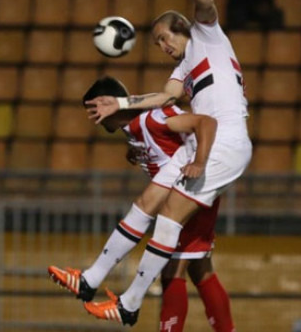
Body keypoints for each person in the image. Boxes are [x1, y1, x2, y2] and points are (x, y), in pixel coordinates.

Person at [77, 0, 252, 326]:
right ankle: (92, 279)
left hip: (223, 141)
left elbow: (205, 4)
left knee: (172, 221)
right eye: (156, 43)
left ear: (181, 28)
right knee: (151, 200)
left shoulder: (208, 37)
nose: (162, 47)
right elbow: (164, 97)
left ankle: (131, 303)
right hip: (203, 144)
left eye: (163, 38)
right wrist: (120, 105)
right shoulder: (185, 68)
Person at [51, 76, 233, 331]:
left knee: (172, 271)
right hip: (191, 195)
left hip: (191, 197)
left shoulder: (153, 118)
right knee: (201, 270)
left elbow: (204, 123)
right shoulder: (136, 129)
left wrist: (199, 163)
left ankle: (110, 294)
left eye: (95, 110)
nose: (95, 118)